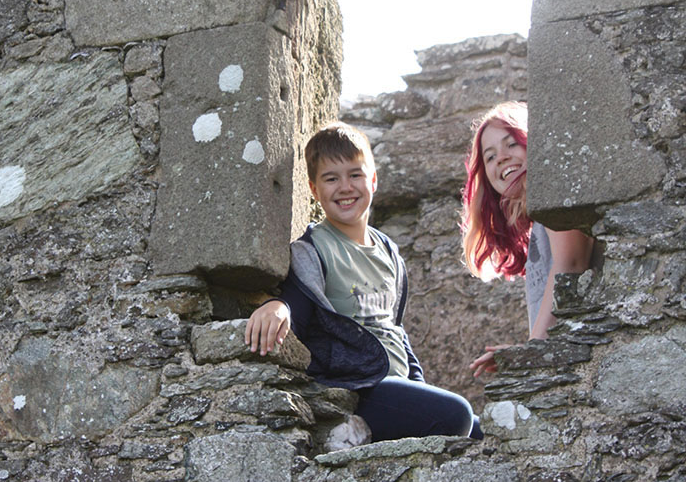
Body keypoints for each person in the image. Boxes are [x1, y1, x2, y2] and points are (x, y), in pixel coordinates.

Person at [245, 122, 480, 441]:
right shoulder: (313, 250)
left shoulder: (389, 252)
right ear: (315, 190)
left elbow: (395, 332)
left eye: (355, 174)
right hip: (360, 388)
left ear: (373, 179)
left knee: (479, 431)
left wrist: (419, 386)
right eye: (331, 178)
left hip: (399, 388)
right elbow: (299, 303)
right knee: (457, 415)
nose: (345, 187)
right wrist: (277, 306)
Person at [461, 101, 594, 379]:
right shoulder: (537, 218)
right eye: (490, 156)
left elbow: (570, 263)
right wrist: (525, 352)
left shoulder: (551, 188)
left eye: (511, 144)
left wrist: (533, 354)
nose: (501, 158)